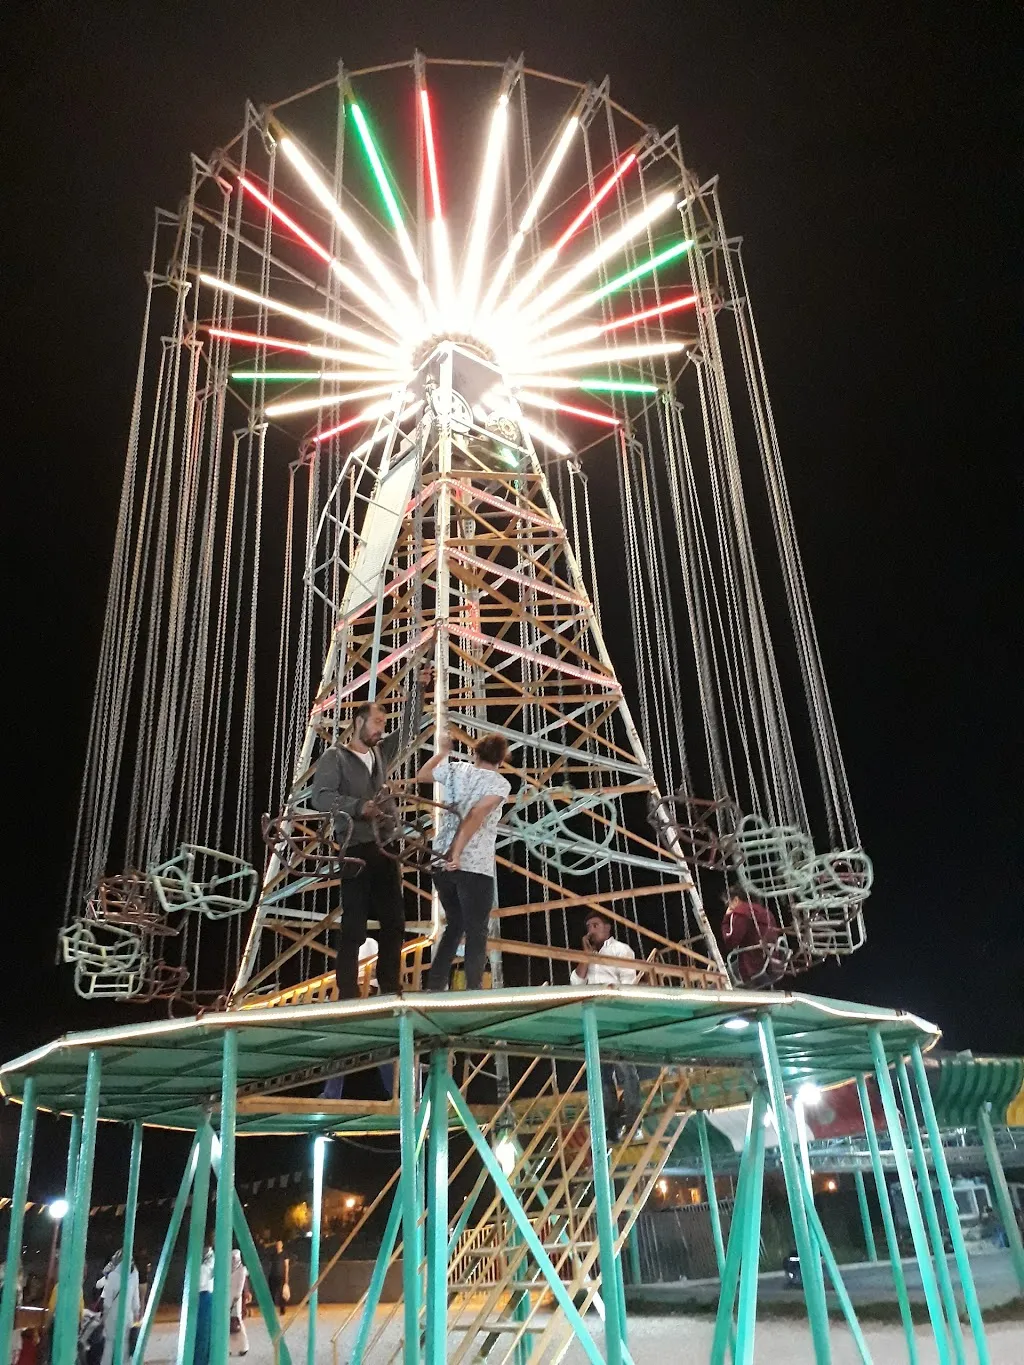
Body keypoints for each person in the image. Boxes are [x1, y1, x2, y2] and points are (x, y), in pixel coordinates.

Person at [310, 665, 431, 997]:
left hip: (384, 846)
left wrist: (419, 690)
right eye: (377, 722)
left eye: (383, 723)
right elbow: (320, 797)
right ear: (358, 723)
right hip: (354, 848)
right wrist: (357, 806)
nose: (382, 729)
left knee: (395, 923)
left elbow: (407, 731)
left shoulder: (379, 753)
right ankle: (348, 991)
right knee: (354, 925)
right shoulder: (335, 758)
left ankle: (390, 986)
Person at [417, 733, 511, 991]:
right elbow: (476, 814)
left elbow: (422, 775)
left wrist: (443, 752)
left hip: (439, 861)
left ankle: (435, 985)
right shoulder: (499, 784)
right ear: (501, 759)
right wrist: (457, 853)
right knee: (477, 929)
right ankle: (473, 989)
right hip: (472, 864)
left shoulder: (457, 769)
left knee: (455, 924)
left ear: (476, 754)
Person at [570, 910, 642, 1135]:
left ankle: (631, 1116)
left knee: (625, 1069)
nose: (591, 930)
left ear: (607, 927)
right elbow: (576, 984)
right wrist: (586, 956)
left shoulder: (621, 950)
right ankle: (611, 1120)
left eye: (595, 925)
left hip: (617, 1016)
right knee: (601, 1072)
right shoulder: (588, 956)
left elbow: (628, 983)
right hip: (595, 1019)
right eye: (588, 926)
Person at [720, 887, 788, 986]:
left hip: (753, 965)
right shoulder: (764, 911)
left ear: (736, 900)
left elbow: (731, 942)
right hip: (772, 962)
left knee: (724, 982)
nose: (727, 907)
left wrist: (726, 920)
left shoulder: (740, 912)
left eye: (727, 903)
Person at [98, 1251, 140, 1365]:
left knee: (109, 1347)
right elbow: (136, 1299)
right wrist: (136, 1312)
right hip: (127, 1317)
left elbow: (107, 1303)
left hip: (112, 1317)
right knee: (124, 1348)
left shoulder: (113, 1276)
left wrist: (103, 1318)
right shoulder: (134, 1273)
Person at [192, 1244, 214, 1365]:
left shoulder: (207, 1263)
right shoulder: (209, 1260)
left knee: (202, 1334)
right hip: (204, 1297)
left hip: (204, 1297)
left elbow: (200, 1281)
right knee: (202, 1334)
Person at [228, 1251, 248, 1357]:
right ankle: (229, 1348)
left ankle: (244, 1346)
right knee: (229, 1324)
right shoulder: (230, 1269)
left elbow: (239, 1288)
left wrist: (234, 1302)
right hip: (229, 1298)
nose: (233, 1260)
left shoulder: (241, 1270)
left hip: (235, 1300)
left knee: (237, 1322)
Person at [265, 1243, 289, 1317]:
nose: (278, 1246)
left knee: (282, 1294)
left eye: (279, 1244)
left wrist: (286, 1278)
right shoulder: (273, 1255)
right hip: (273, 1276)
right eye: (277, 1245)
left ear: (282, 1245)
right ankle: (271, 1310)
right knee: (272, 1293)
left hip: (281, 1276)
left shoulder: (285, 1254)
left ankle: (282, 1310)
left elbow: (286, 1266)